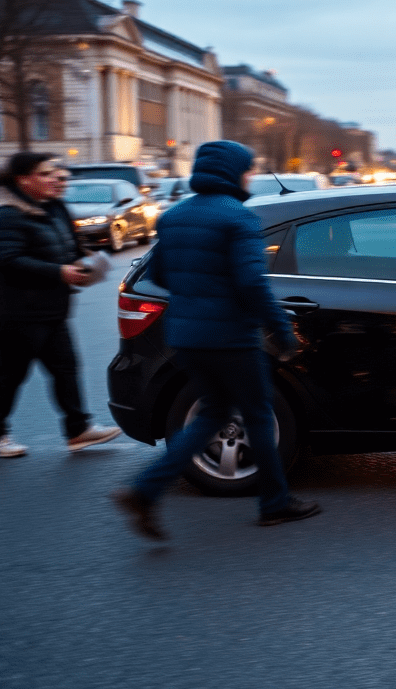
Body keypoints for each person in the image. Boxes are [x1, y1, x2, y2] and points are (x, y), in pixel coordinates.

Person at [111, 141, 321, 540]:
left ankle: (145, 489)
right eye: (247, 169)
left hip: (186, 337)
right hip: (231, 338)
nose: (249, 176)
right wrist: (280, 329)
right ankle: (275, 502)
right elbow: (251, 283)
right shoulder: (239, 218)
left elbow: (161, 277)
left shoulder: (172, 217)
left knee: (210, 413)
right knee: (259, 415)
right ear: (232, 173)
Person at [0, 153, 123, 458]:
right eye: (45, 174)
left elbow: (67, 247)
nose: (56, 178)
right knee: (10, 375)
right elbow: (8, 259)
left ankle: (78, 430)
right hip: (19, 312)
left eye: (56, 173)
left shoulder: (55, 208)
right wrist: (59, 272)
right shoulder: (9, 214)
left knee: (66, 368)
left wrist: (83, 265)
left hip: (53, 308)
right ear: (23, 180)